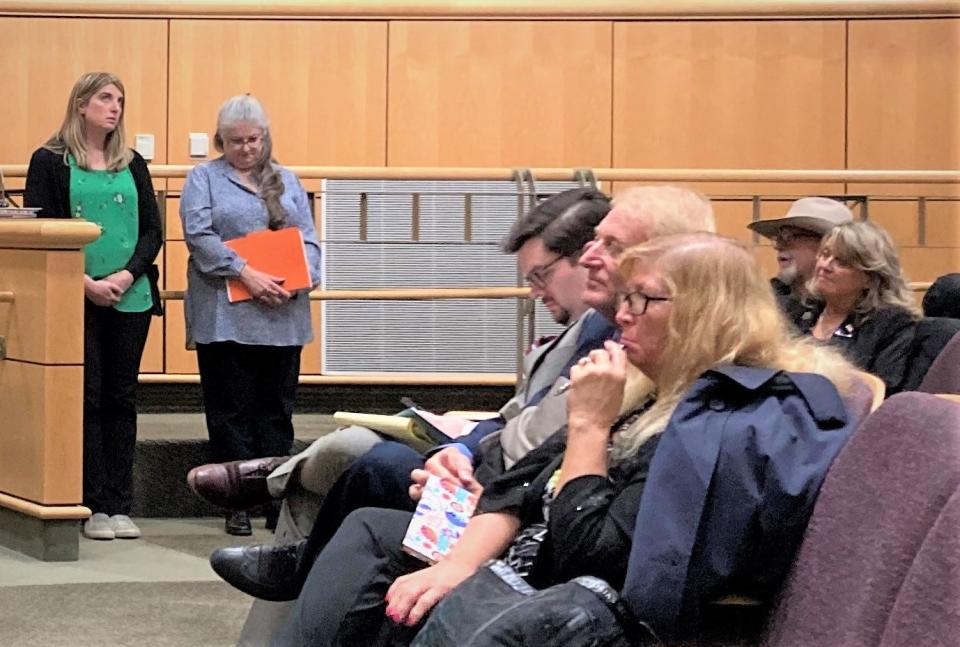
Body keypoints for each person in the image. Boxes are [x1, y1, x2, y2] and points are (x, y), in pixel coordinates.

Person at [272, 232, 859, 647]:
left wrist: (588, 428)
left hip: (568, 601)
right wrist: (457, 563)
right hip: (527, 560)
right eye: (625, 299)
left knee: (380, 558)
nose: (622, 315)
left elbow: (597, 559)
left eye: (643, 299)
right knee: (376, 529)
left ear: (705, 314)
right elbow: (517, 482)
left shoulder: (731, 418)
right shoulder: (650, 389)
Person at [206, 186, 717, 609]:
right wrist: (466, 451)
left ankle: (288, 528)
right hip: (507, 487)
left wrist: (478, 472)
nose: (591, 259)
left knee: (373, 466)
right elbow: (525, 424)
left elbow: (568, 477)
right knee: (367, 465)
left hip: (532, 523)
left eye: (609, 246)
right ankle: (290, 526)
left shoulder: (639, 353)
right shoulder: (595, 327)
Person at [24, 72, 162, 541]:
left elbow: (152, 233)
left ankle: (117, 505)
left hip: (130, 296)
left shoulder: (133, 162)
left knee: (120, 399)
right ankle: (87, 501)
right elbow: (42, 229)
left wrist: (125, 276)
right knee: (86, 396)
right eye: (105, 97)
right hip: (74, 295)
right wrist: (83, 283)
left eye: (120, 99)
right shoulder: (49, 161)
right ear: (80, 104)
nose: (114, 106)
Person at [180, 94, 322, 536]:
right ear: (220, 140)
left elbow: (309, 239)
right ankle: (236, 501)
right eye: (235, 141)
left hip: (282, 314)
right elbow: (199, 236)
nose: (245, 149)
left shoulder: (287, 178)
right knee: (231, 411)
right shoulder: (202, 178)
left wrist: (306, 277)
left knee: (276, 412)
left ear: (265, 138)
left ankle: (276, 499)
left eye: (253, 140)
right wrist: (247, 273)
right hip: (226, 316)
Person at [796, 220, 918, 393]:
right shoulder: (800, 309)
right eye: (824, 255)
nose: (824, 266)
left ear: (870, 278)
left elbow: (881, 390)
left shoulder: (890, 323)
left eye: (842, 262)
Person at [746, 196, 853, 325]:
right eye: (778, 237)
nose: (778, 246)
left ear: (827, 244)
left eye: (790, 237)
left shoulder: (855, 309)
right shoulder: (763, 299)